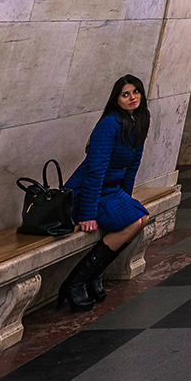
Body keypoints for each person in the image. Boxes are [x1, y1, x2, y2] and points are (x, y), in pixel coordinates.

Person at [57, 74, 152, 311]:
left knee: (142, 217)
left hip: (111, 192)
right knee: (132, 223)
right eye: (125, 94)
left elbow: (132, 166)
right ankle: (75, 282)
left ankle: (94, 274)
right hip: (88, 193)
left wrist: (127, 200)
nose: (132, 98)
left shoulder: (140, 120)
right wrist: (87, 214)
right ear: (116, 99)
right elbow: (94, 172)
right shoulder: (109, 124)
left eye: (136, 92)